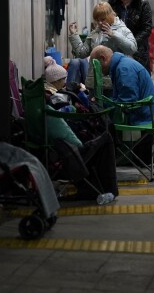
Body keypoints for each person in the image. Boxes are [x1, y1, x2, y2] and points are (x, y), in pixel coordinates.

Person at [41, 57, 118, 203]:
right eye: (63, 79)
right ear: (56, 81)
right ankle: (110, 190)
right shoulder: (56, 101)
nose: (65, 82)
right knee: (106, 137)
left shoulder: (46, 106)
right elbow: (70, 113)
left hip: (66, 148)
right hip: (73, 149)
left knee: (103, 137)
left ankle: (105, 189)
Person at [90, 45, 154, 125]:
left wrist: (102, 104)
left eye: (97, 66)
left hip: (144, 120)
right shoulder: (122, 64)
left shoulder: (124, 70)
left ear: (103, 58)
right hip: (147, 115)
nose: (100, 71)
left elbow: (127, 102)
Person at [68, 1, 136, 64]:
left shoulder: (122, 29)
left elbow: (132, 49)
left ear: (110, 16)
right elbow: (81, 54)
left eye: (103, 19)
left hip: (116, 70)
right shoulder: (94, 33)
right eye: (97, 20)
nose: (100, 23)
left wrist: (114, 35)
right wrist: (74, 35)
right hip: (96, 71)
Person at [108, 0, 153, 70]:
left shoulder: (143, 4)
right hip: (116, 46)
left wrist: (131, 43)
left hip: (138, 49)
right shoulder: (112, 3)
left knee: (137, 74)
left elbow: (147, 29)